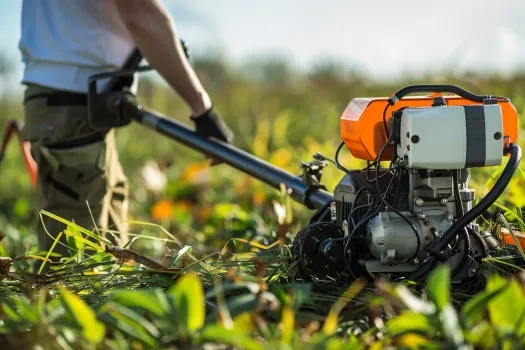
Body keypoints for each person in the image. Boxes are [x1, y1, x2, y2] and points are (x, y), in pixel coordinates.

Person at [18, 0, 233, 259]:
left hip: (80, 108)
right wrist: (201, 108)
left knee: (109, 247)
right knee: (77, 267)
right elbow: (141, 13)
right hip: (72, 110)